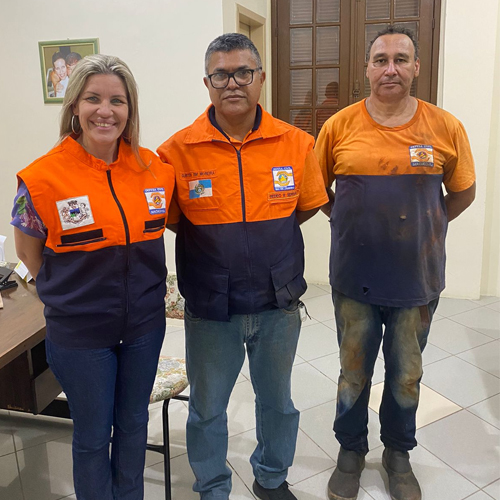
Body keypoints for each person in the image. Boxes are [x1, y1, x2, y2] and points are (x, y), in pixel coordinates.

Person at [157, 33, 328, 500]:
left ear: (261, 78)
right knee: (207, 409)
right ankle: (212, 486)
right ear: (207, 83)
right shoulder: (176, 152)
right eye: (221, 74)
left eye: (243, 72)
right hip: (212, 308)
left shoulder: (296, 143)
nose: (232, 83)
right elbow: (173, 219)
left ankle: (271, 478)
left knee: (278, 404)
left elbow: (305, 207)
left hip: (278, 303)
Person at [315, 25, 476, 500]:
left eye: (401, 59)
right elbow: (315, 190)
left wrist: (428, 225)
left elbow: (463, 191)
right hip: (354, 277)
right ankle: (350, 450)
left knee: (406, 373)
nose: (391, 69)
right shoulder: (338, 126)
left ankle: (398, 453)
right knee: (353, 370)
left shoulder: (445, 127)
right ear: (366, 68)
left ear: (416, 67)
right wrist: (350, 220)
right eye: (381, 60)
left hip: (416, 278)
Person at [11, 54, 175, 500]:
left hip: (143, 328)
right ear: (74, 106)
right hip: (80, 335)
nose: (106, 110)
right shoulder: (40, 178)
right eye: (93, 99)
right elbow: (26, 252)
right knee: (92, 435)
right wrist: (72, 297)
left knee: (133, 424)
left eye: (117, 100)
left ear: (130, 108)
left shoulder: (155, 170)